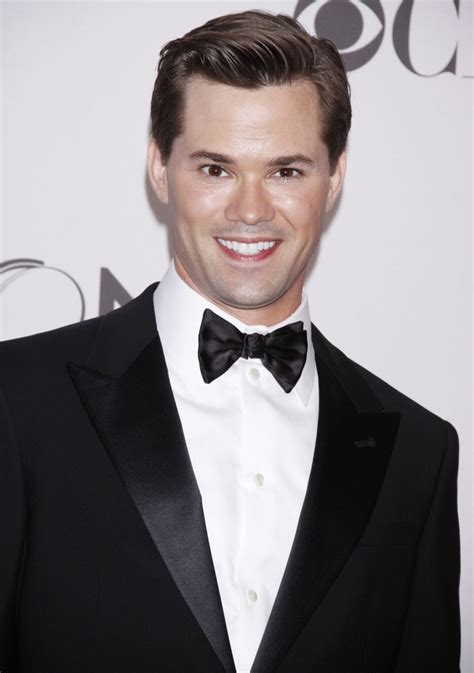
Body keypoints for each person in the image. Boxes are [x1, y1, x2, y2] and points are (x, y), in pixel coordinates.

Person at [0, 10, 460, 673]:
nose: (250, 210)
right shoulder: (19, 403)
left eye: (287, 171)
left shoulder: (419, 454)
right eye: (216, 169)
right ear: (160, 167)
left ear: (334, 178)